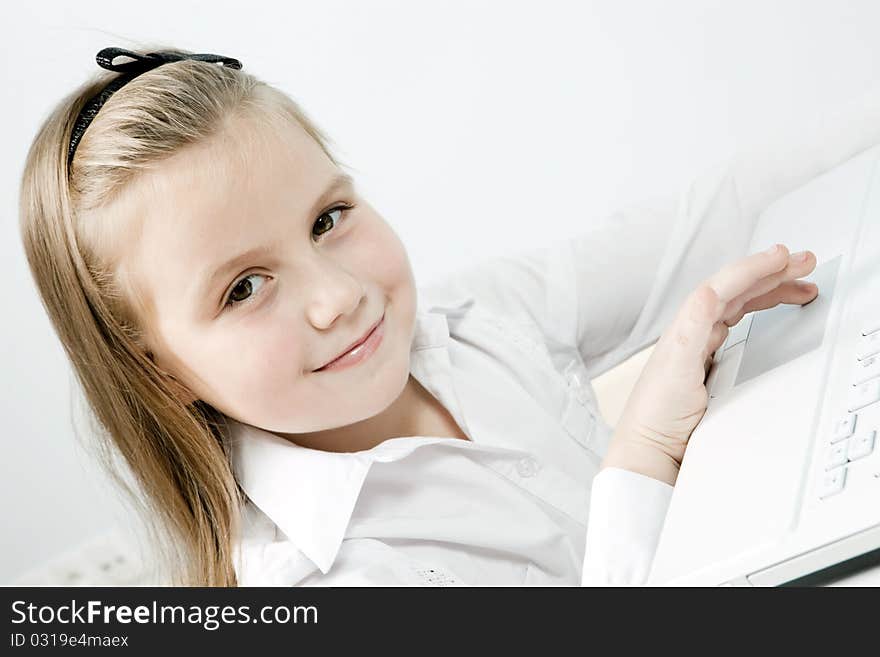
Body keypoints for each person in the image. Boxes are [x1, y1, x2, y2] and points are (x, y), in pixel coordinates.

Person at [18, 43, 880, 586]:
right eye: (244, 287)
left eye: (328, 219)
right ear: (157, 368)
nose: (337, 295)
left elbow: (714, 211)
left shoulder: (469, 317)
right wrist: (643, 454)